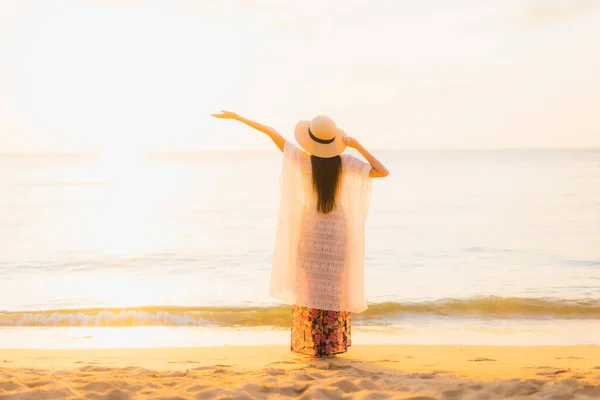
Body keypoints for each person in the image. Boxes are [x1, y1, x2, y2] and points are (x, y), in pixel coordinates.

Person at [211, 111, 389, 357]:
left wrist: (238, 118)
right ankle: (330, 344)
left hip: (310, 231)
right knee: (334, 287)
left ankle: (313, 344)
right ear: (334, 140)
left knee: (310, 287)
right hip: (338, 233)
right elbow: (382, 171)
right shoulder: (346, 162)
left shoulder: (303, 160)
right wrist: (356, 144)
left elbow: (272, 132)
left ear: (311, 139)